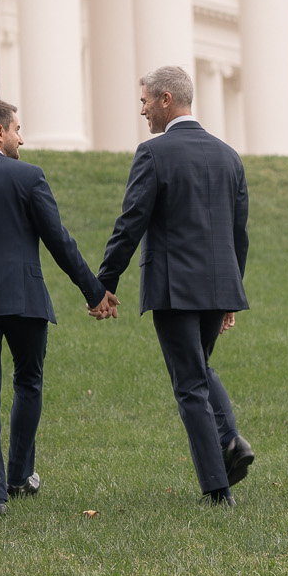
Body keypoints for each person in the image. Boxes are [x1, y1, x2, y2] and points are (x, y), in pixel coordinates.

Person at [0, 98, 121, 515]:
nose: (21, 137)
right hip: (23, 299)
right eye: (17, 129)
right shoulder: (29, 177)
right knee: (28, 381)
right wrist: (95, 291)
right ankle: (19, 476)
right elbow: (59, 242)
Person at [96, 65, 255, 505]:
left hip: (174, 287)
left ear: (167, 99)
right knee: (198, 367)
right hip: (219, 285)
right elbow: (239, 234)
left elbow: (130, 225)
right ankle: (232, 442)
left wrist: (103, 283)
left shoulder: (153, 153)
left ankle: (217, 488)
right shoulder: (229, 155)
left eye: (145, 100)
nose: (142, 109)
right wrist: (230, 297)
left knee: (188, 382)